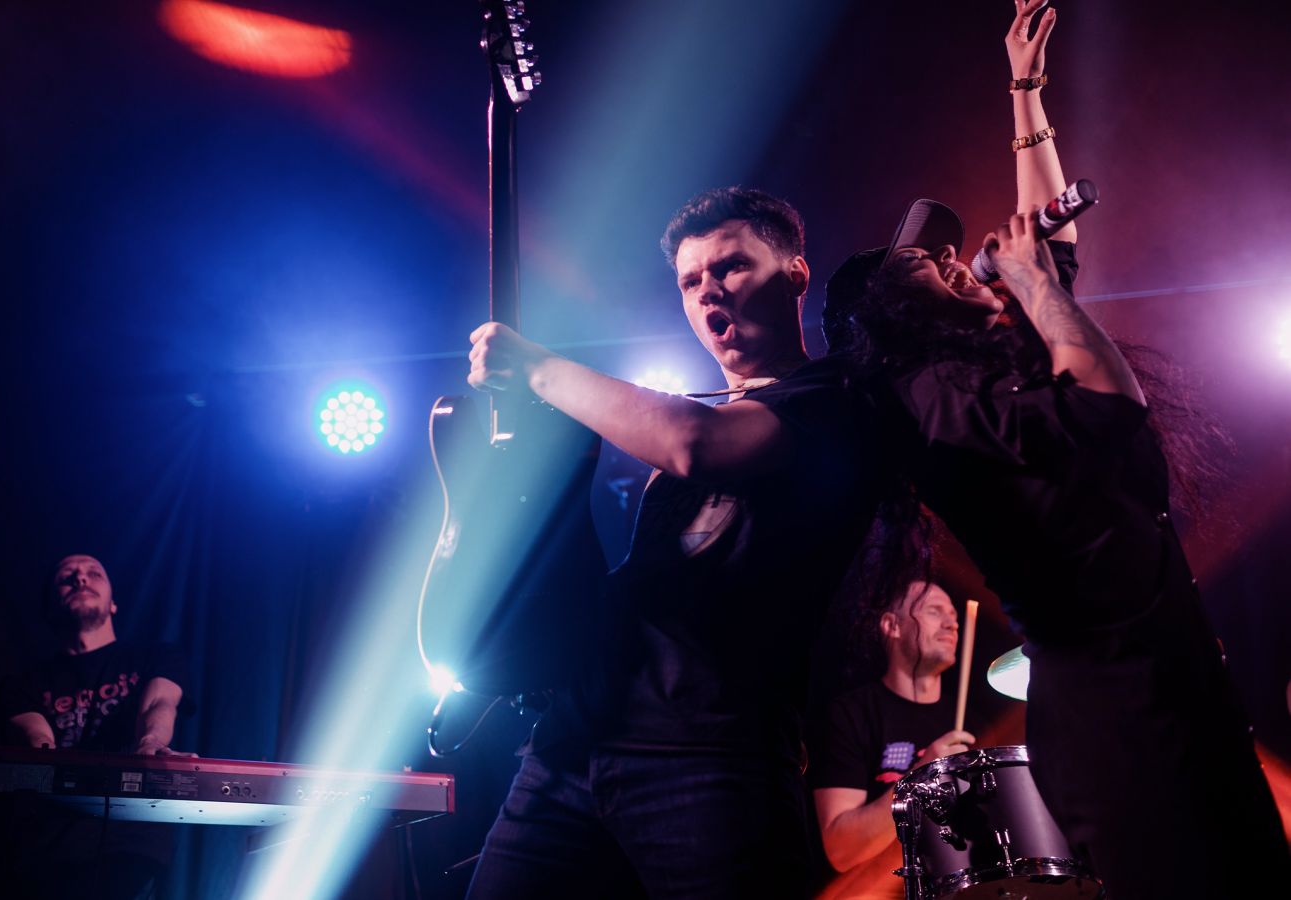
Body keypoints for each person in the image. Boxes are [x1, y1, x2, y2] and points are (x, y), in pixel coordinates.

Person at [820, 2, 1291, 897]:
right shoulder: (933, 404)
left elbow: (1055, 244)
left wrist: (1024, 86)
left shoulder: (998, 359)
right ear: (893, 319)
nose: (956, 262)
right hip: (1117, 717)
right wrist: (1033, 285)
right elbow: (1109, 404)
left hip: (1175, 682)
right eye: (928, 266)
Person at [461, 187, 888, 898]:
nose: (708, 290)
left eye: (731, 267)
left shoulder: (830, 401)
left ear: (795, 275)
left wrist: (537, 367)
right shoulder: (706, 412)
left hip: (711, 762)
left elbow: (693, 443)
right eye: (691, 281)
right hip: (572, 747)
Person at [0, 553, 196, 900]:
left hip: (130, 849)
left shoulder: (156, 658)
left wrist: (150, 742)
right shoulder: (21, 684)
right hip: (45, 851)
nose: (80, 579)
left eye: (93, 573)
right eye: (67, 576)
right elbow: (35, 737)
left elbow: (159, 704)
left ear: (113, 603)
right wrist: (44, 756)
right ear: (50, 609)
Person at [806, 580, 979, 896]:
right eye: (934, 611)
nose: (952, 624)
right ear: (892, 626)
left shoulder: (973, 723)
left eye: (954, 615)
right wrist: (921, 776)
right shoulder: (851, 715)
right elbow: (841, 850)